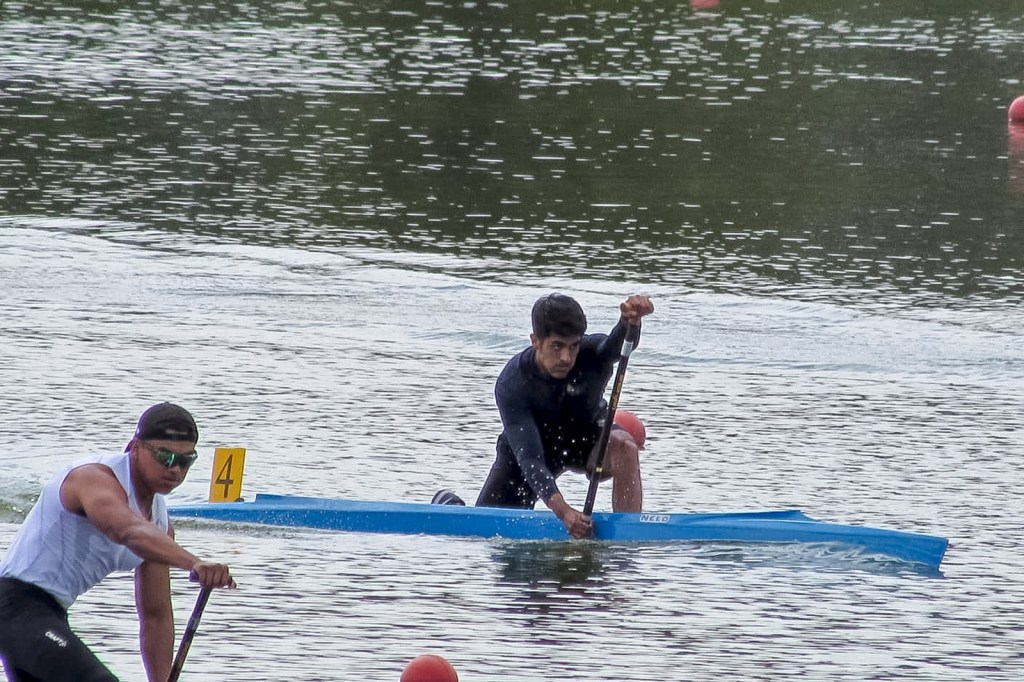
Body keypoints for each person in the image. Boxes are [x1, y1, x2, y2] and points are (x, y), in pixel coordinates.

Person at [0, 402, 236, 682]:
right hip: (14, 606)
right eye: (165, 457)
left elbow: (156, 617)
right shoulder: (92, 479)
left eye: (186, 461)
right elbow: (126, 530)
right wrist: (194, 563)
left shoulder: (160, 526)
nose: (175, 469)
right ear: (134, 448)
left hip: (49, 616)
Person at [474, 293, 654, 539]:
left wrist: (629, 322)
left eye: (573, 346)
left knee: (625, 446)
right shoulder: (512, 383)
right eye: (557, 346)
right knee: (483, 529)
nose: (567, 358)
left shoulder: (592, 354)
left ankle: (630, 532)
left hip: (585, 441)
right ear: (536, 341)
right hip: (531, 451)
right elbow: (531, 461)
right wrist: (565, 513)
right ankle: (447, 504)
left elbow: (620, 346)